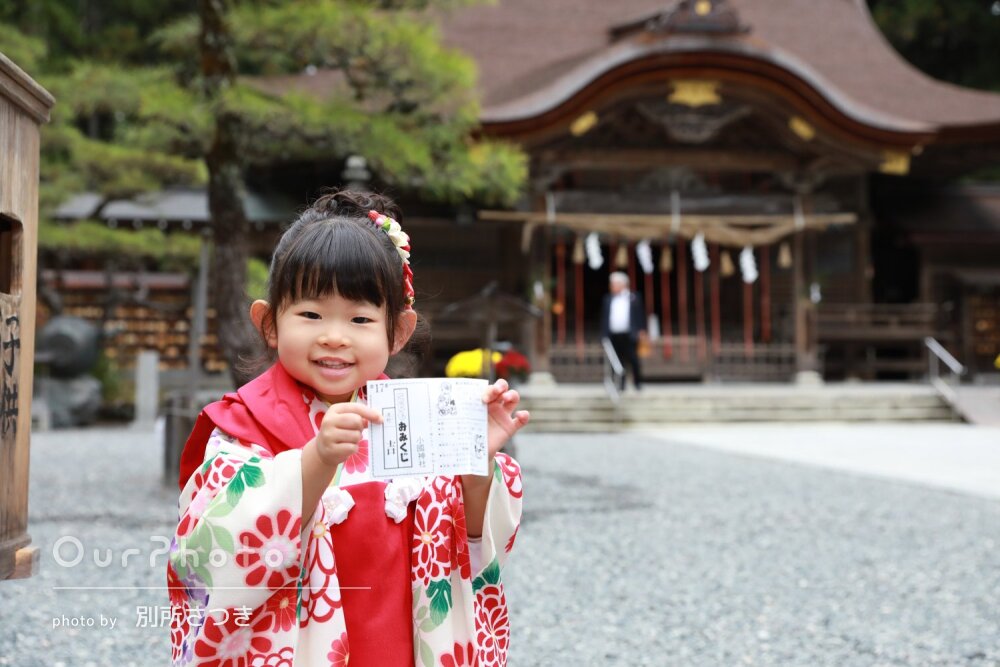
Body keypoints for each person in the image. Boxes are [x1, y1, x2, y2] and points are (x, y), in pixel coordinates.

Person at [168, 191, 529, 667]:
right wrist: (316, 460)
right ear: (269, 323)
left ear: (396, 332)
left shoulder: (414, 419)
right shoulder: (242, 424)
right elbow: (210, 551)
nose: (334, 335)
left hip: (401, 645)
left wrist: (474, 460)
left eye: (360, 318)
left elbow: (469, 539)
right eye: (311, 314)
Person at [600, 271, 646, 391]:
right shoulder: (608, 299)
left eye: (614, 284)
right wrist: (604, 334)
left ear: (622, 284)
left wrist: (641, 330)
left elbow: (639, 315)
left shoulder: (634, 298)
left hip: (629, 334)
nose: (612, 286)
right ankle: (620, 384)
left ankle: (637, 382)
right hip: (614, 335)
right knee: (617, 360)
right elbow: (605, 318)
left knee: (633, 359)